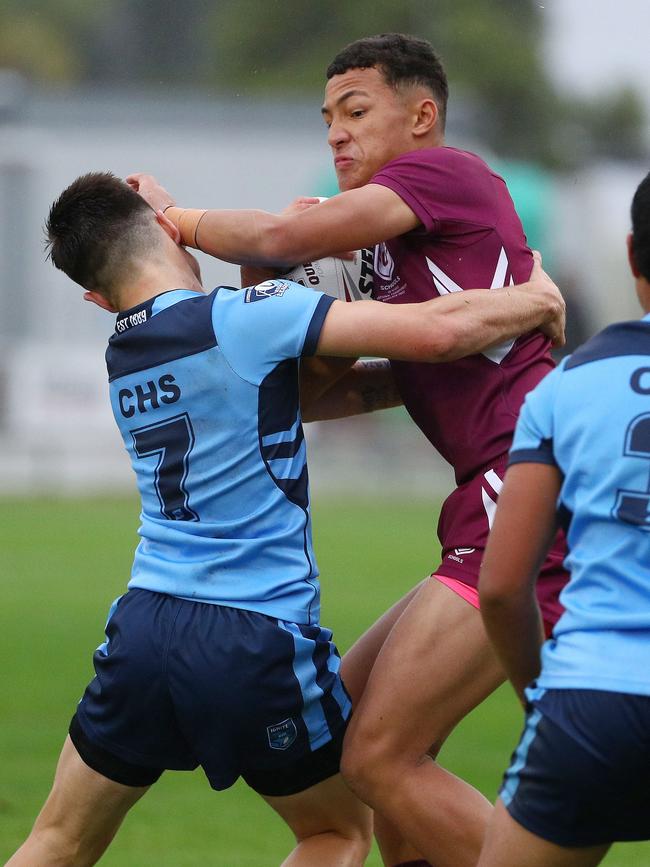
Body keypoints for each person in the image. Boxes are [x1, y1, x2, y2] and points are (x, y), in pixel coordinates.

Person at [7, 171, 563, 867]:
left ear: (95, 296)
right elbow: (441, 329)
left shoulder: (124, 357)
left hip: (144, 630)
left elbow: (296, 393)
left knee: (58, 839)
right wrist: (534, 297)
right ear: (169, 229)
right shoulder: (244, 315)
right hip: (253, 636)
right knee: (337, 830)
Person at [127, 33, 569, 867]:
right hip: (486, 494)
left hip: (522, 483)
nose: (335, 132)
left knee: (377, 755)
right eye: (327, 117)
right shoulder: (378, 255)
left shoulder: (448, 174)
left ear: (423, 116)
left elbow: (283, 241)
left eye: (356, 110)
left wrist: (172, 221)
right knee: (356, 726)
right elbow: (362, 387)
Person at [477, 172, 650, 867]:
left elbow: (501, 586)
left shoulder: (569, 384)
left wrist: (542, 694)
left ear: (635, 256)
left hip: (592, 697)